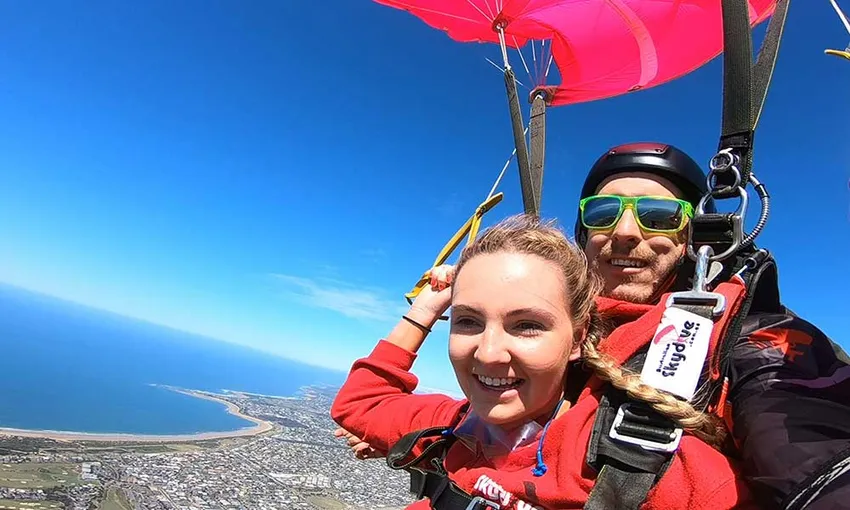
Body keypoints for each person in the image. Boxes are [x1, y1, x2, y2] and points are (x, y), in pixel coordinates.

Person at [334, 142, 850, 510]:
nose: (625, 231)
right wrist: (437, 306)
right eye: (605, 211)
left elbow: (817, 453)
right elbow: (365, 406)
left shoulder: (749, 341)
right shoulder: (480, 417)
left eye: (659, 215)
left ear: (696, 235)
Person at [331, 215, 757, 510]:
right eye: (467, 321)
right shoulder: (455, 425)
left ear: (576, 338)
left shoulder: (636, 464)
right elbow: (358, 404)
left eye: (527, 325)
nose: (488, 352)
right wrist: (428, 306)